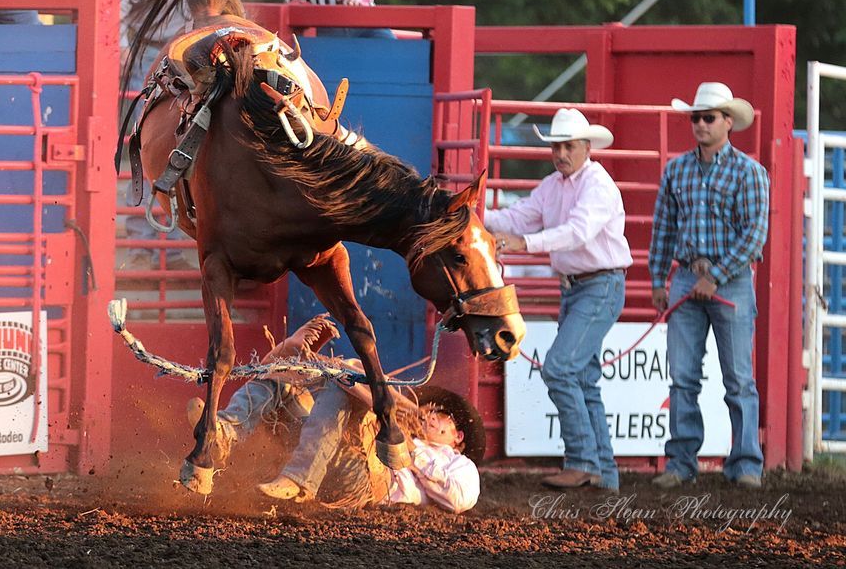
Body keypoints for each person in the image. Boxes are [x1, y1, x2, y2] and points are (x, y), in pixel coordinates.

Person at [187, 316, 483, 513]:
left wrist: (410, 448)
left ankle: (300, 478)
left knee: (345, 383)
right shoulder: (397, 417)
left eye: (441, 416)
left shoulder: (461, 467)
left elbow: (461, 497)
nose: (432, 416)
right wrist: (293, 351)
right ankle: (224, 431)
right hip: (326, 451)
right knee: (279, 378)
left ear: (458, 436)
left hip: (362, 481)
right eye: (431, 411)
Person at [486, 107, 632, 491]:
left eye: (569, 146)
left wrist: (524, 243)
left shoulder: (598, 185)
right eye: (556, 147)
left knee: (560, 369)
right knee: (582, 378)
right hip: (583, 287)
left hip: (599, 285)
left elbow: (577, 232)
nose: (561, 153)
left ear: (586, 147)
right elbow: (518, 216)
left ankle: (582, 461)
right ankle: (604, 474)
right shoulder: (554, 185)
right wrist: (475, 213)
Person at [111, 0, 241, 270]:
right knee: (147, 143)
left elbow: (232, 9)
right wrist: (121, 44)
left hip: (204, 58)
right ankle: (142, 245)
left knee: (199, 145)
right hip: (153, 53)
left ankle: (181, 241)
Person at [648, 82, 769, 490]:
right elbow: (664, 229)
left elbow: (754, 235)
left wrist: (713, 275)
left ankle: (746, 463)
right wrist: (658, 279)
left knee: (738, 380)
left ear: (727, 122)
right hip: (687, 277)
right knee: (682, 377)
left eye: (708, 117)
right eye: (696, 118)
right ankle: (681, 463)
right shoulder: (676, 170)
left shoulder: (749, 172)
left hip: (729, 282)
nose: (700, 124)